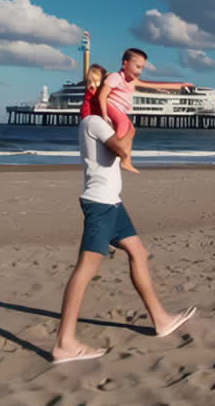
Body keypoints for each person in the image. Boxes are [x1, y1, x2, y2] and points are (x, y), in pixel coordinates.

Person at [52, 112, 197, 364]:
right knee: (86, 269)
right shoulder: (93, 122)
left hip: (114, 205)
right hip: (100, 205)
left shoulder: (101, 123)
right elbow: (122, 149)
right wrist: (129, 127)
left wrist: (123, 126)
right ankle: (65, 343)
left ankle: (161, 320)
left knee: (138, 252)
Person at [96, 48, 192, 173]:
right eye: (137, 67)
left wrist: (180, 85)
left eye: (142, 68)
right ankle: (115, 147)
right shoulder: (115, 77)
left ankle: (126, 161)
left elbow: (155, 85)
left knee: (132, 130)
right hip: (111, 105)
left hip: (121, 110)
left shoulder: (133, 81)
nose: (139, 71)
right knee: (124, 124)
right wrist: (104, 115)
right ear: (125, 64)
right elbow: (102, 96)